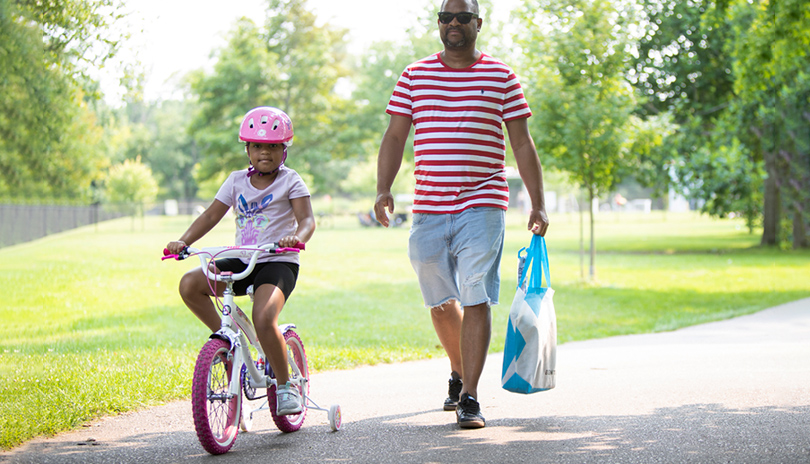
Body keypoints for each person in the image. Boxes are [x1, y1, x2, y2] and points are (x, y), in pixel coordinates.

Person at [374, 0, 549, 429]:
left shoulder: (501, 76)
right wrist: (382, 189)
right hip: (429, 205)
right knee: (439, 303)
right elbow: (395, 135)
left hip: (483, 202)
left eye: (462, 17)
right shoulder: (414, 75)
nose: (454, 24)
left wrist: (537, 200)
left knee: (476, 295)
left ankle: (470, 395)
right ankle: (458, 370)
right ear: (438, 24)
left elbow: (522, 143)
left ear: (478, 23)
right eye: (446, 17)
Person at [166, 106, 316, 416]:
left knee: (263, 318)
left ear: (284, 150)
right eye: (258, 146)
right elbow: (210, 215)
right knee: (190, 284)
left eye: (274, 146)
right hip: (243, 258)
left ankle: (286, 386)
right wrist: (184, 241)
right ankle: (231, 345)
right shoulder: (235, 181)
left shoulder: (291, 181)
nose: (265, 153)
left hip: (277, 261)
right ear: (247, 149)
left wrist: (296, 237)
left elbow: (307, 220)